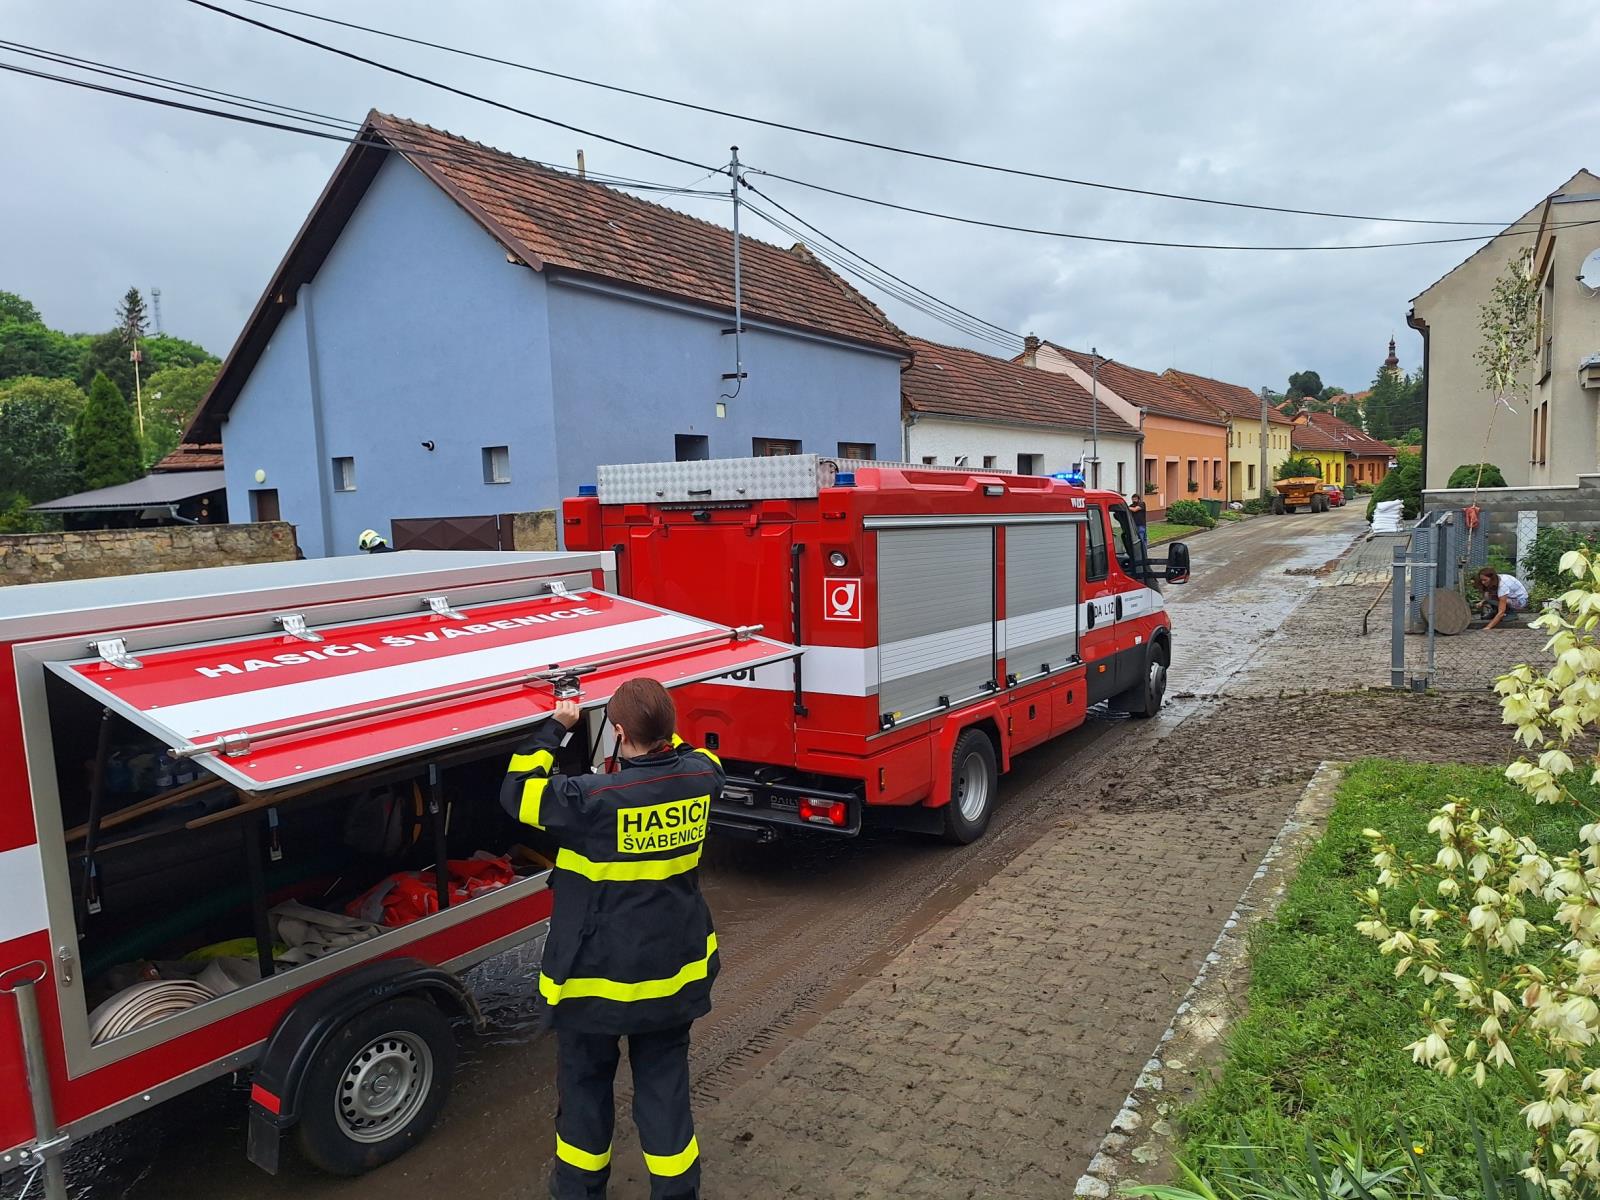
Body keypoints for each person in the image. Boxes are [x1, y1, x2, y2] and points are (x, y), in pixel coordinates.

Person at [501, 678, 719, 1200]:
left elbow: (517, 793)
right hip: (672, 978)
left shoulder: (591, 799)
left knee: (584, 1092)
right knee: (665, 1093)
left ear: (617, 732)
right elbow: (696, 753)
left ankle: (579, 1192)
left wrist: (557, 725)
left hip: (593, 985)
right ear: (669, 730)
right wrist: (659, 727)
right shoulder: (703, 777)